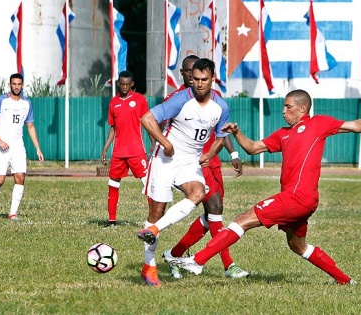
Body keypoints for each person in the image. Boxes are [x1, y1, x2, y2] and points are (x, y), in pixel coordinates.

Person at [171, 89, 361, 285]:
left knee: (243, 219)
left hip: (297, 197)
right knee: (297, 245)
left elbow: (356, 125)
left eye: (288, 107)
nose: (283, 111)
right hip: (300, 200)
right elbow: (253, 148)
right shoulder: (283, 134)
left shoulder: (318, 124)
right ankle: (345, 280)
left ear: (302, 108)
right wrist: (237, 132)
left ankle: (198, 261)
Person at [137, 58, 231, 288]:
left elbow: (221, 136)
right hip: (165, 159)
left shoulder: (221, 106)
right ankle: (148, 266)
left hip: (189, 161)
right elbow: (147, 118)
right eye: (196, 79)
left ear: (212, 79)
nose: (198, 84)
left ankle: (155, 230)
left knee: (198, 193)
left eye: (203, 80)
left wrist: (210, 154)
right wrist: (165, 143)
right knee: (156, 212)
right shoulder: (180, 99)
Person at [160, 55, 249, 279]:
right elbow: (160, 124)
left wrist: (234, 152)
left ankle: (174, 254)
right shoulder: (178, 99)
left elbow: (222, 130)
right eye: (190, 73)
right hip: (193, 163)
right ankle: (228, 266)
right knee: (215, 209)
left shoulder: (215, 100)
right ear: (184, 74)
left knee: (213, 216)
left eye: (199, 75)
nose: (195, 79)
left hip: (213, 161)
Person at [0, 73, 44, 220]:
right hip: (1, 147)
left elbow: (30, 126)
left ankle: (12, 214)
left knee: (20, 177)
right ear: (9, 85)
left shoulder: (27, 104)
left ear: (22, 85)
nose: (16, 86)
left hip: (18, 146)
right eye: (14, 84)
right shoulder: (1, 101)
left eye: (19, 84)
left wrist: (37, 148)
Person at [100, 71, 154, 228]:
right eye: (121, 84)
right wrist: (105, 148)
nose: (124, 87)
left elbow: (148, 122)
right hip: (118, 153)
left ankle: (154, 220)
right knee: (113, 184)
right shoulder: (113, 102)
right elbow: (113, 127)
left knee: (148, 184)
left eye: (127, 84)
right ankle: (112, 221)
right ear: (118, 84)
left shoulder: (140, 100)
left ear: (132, 84)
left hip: (137, 151)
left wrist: (152, 142)